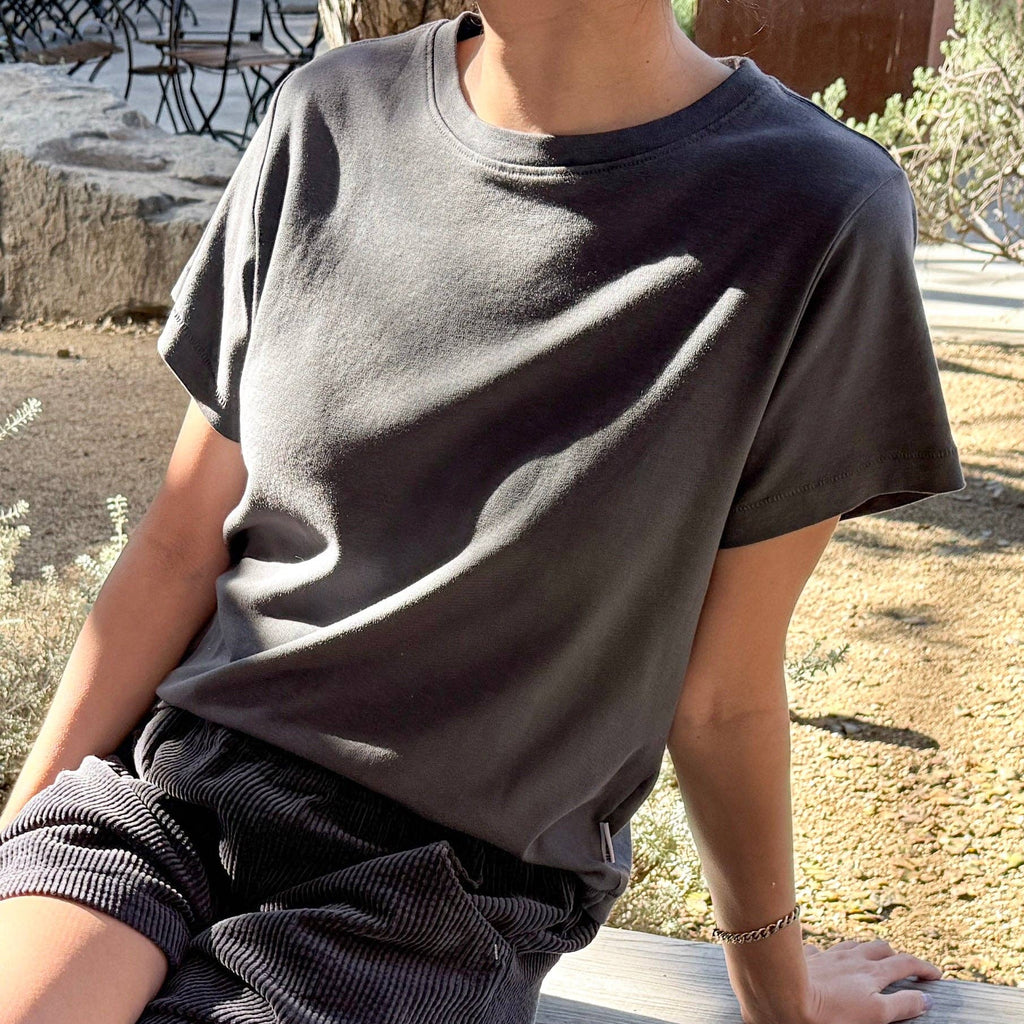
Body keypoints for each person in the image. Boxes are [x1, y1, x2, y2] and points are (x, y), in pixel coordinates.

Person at [0, 2, 963, 1022]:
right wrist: (19, 848)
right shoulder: (329, 114)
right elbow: (177, 543)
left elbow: (720, 696)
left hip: (434, 896)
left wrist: (780, 994)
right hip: (173, 798)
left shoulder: (814, 210)